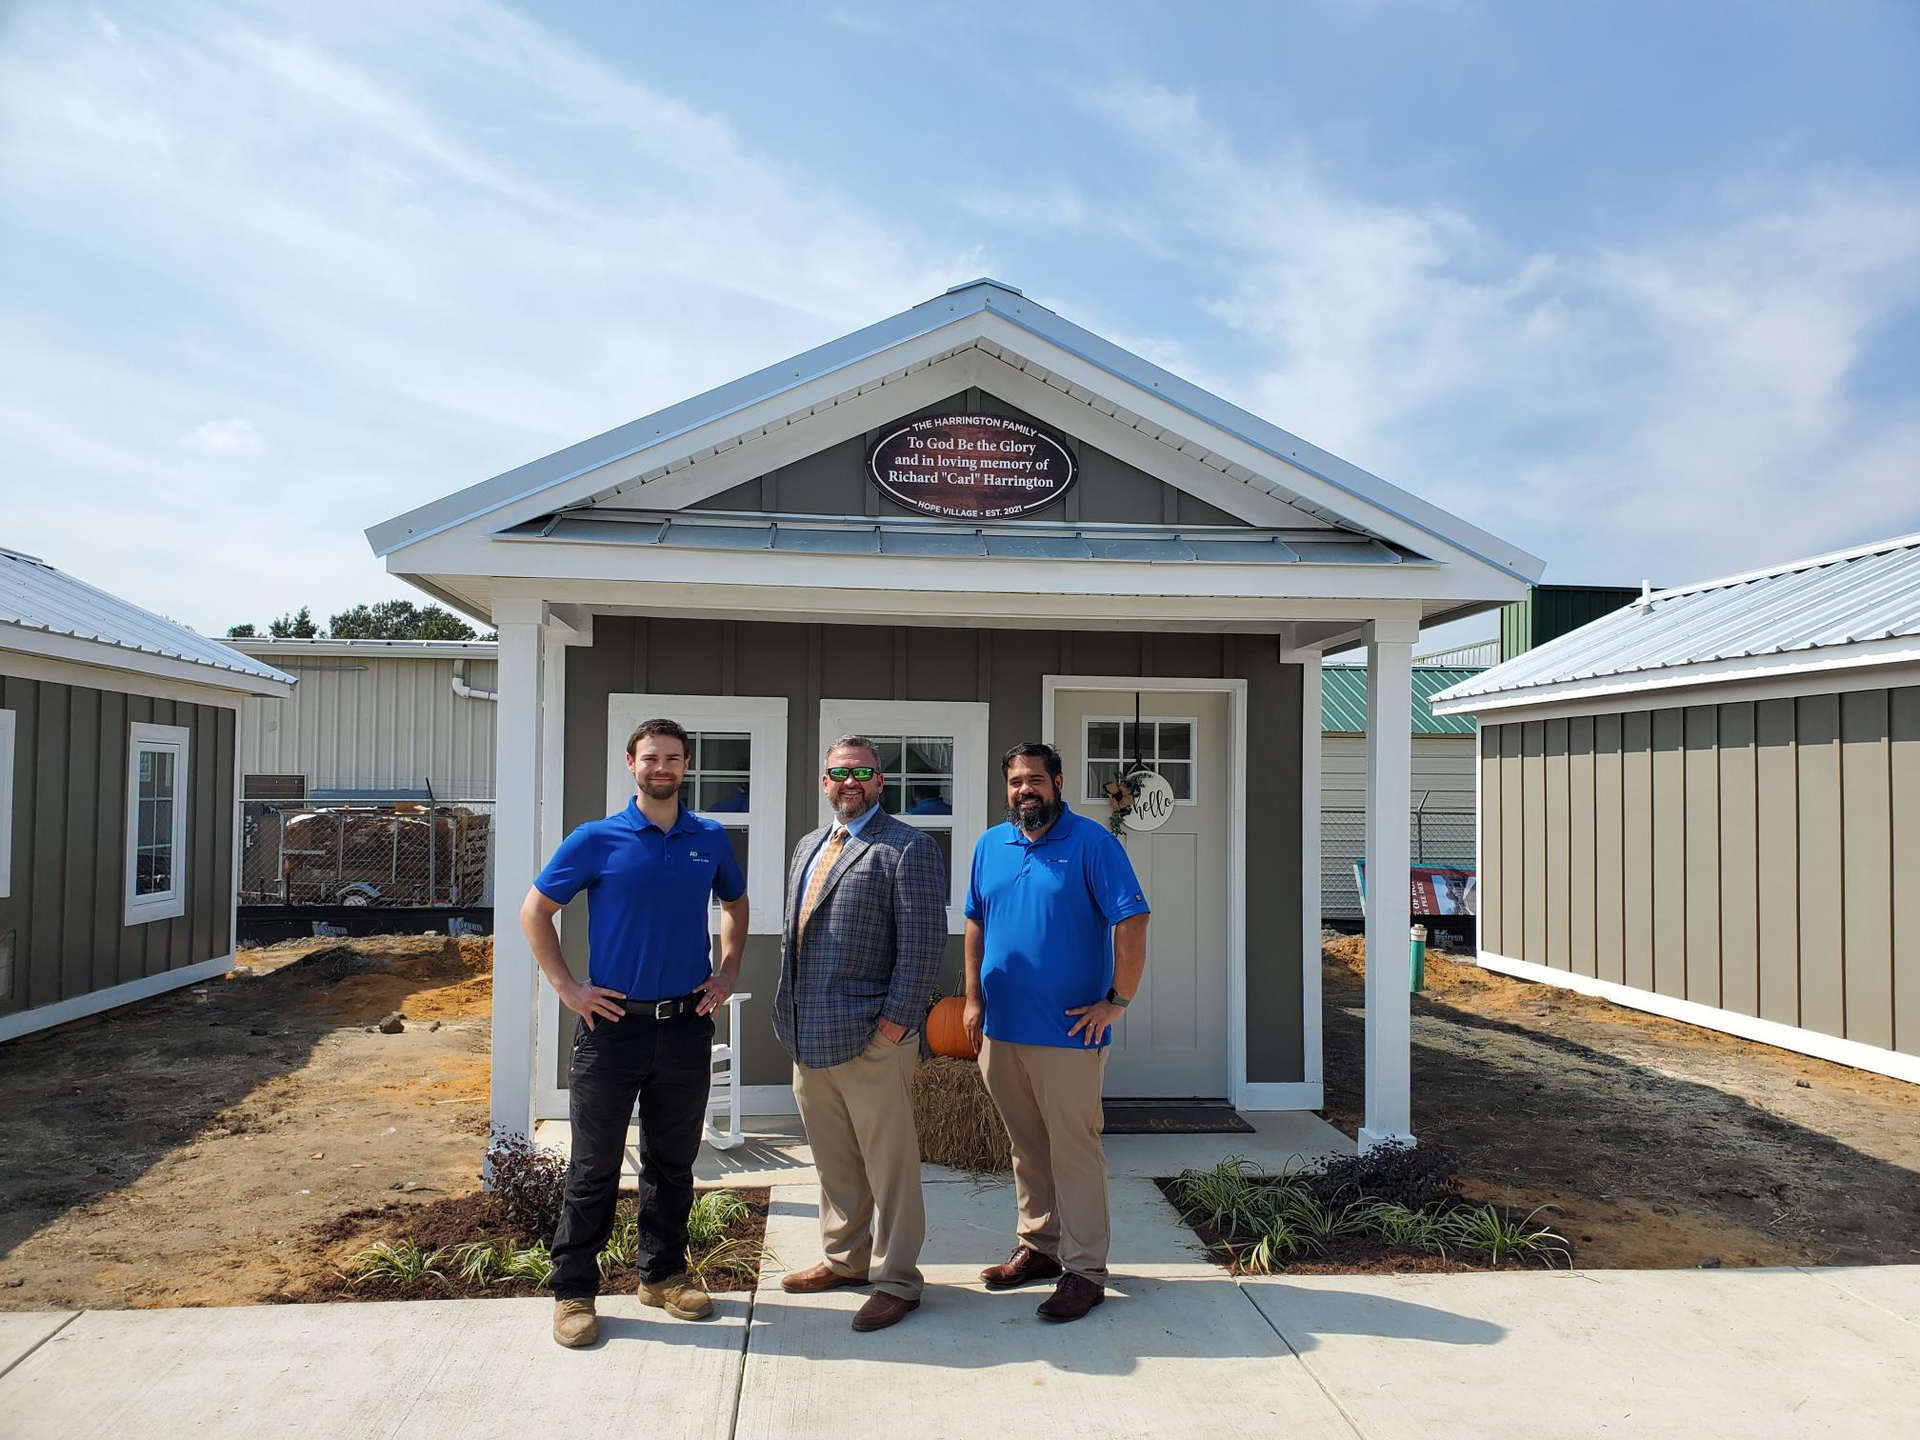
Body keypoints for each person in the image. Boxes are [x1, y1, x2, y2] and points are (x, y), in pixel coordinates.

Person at [521, 717, 749, 1349]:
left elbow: (736, 905)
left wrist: (727, 971)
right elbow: (535, 912)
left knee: (672, 1164)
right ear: (631, 763)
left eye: (674, 759)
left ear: (686, 766)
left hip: (684, 1026)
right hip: (611, 1028)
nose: (663, 768)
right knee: (593, 1167)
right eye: (652, 758)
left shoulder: (710, 839)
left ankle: (663, 1275)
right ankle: (573, 1292)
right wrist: (568, 989)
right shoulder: (597, 839)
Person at [963, 741, 1149, 1323]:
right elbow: (974, 921)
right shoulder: (990, 845)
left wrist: (1117, 1001)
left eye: (1036, 780)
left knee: (1074, 1151)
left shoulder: (1093, 843)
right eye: (1016, 782)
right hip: (1002, 1030)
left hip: (1070, 1034)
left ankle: (1086, 1270)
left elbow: (1133, 919)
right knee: (1027, 1147)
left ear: (1059, 782)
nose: (1026, 791)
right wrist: (971, 999)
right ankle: (1039, 1248)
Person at [774, 735, 947, 1332]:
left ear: (880, 781)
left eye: (862, 772)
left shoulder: (908, 848)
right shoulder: (806, 846)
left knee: (889, 1166)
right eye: (837, 773)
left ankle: (897, 1278)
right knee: (834, 1162)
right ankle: (844, 1260)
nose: (849, 782)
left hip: (874, 1038)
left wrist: (894, 1028)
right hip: (808, 1035)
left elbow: (922, 949)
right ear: (824, 781)